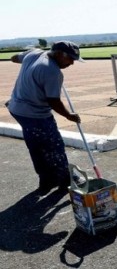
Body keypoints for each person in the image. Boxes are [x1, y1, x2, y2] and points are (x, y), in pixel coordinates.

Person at [7, 41, 84, 195]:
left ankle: (47, 180)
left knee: (36, 146)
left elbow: (14, 57)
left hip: (17, 109)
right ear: (60, 54)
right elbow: (53, 101)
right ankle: (65, 180)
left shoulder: (35, 53)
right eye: (70, 59)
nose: (72, 63)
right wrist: (69, 115)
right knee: (54, 147)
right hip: (35, 115)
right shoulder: (53, 71)